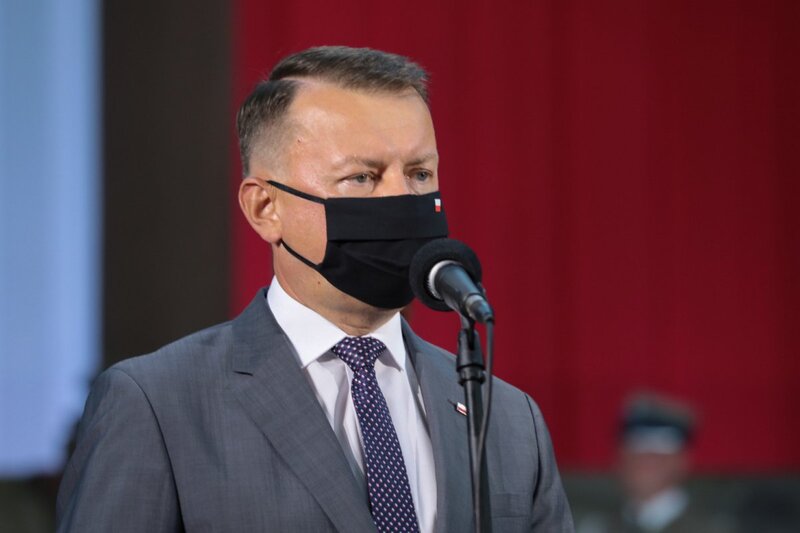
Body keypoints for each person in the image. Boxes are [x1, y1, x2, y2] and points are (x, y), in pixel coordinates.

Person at [56, 46, 573, 532]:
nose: (402, 199)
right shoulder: (158, 405)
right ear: (265, 208)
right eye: (362, 178)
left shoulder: (507, 417)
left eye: (419, 174)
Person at [579, 393, 729, 533]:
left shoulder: (712, 528)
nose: (644, 464)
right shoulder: (598, 528)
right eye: (635, 454)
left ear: (682, 461)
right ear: (618, 461)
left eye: (657, 455)